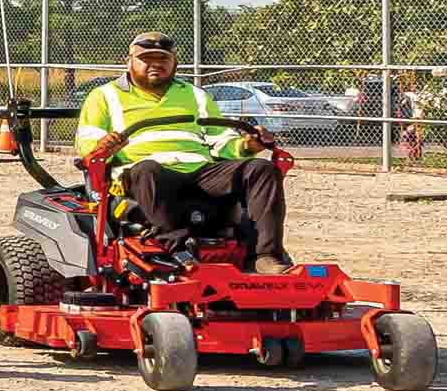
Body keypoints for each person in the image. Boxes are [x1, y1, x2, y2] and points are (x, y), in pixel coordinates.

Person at [77, 31, 290, 271]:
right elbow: (87, 143)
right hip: (143, 175)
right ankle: (175, 250)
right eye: (146, 59)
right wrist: (104, 146)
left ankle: (265, 257)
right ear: (129, 61)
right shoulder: (104, 96)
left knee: (262, 169)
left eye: (162, 59)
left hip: (200, 172)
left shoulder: (196, 95)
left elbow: (220, 141)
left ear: (174, 63)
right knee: (148, 170)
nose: (155, 64)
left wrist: (248, 146)